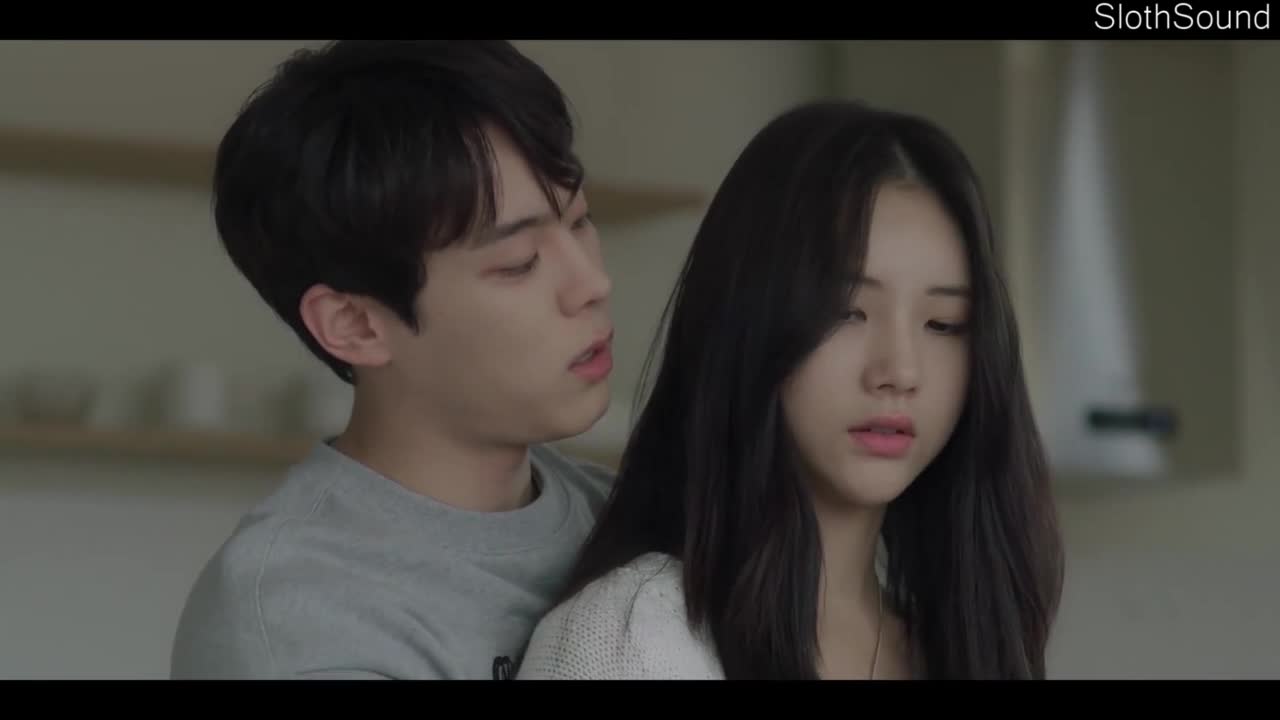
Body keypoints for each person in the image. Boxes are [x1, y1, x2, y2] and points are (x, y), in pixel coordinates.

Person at [515, 99, 1066, 680]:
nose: (901, 371)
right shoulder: (631, 642)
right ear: (749, 321)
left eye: (943, 324)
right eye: (846, 312)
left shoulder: (962, 646)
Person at [170, 40, 617, 680]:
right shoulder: (303, 621)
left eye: (580, 222)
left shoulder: (626, 519)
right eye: (519, 264)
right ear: (354, 325)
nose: (592, 283)